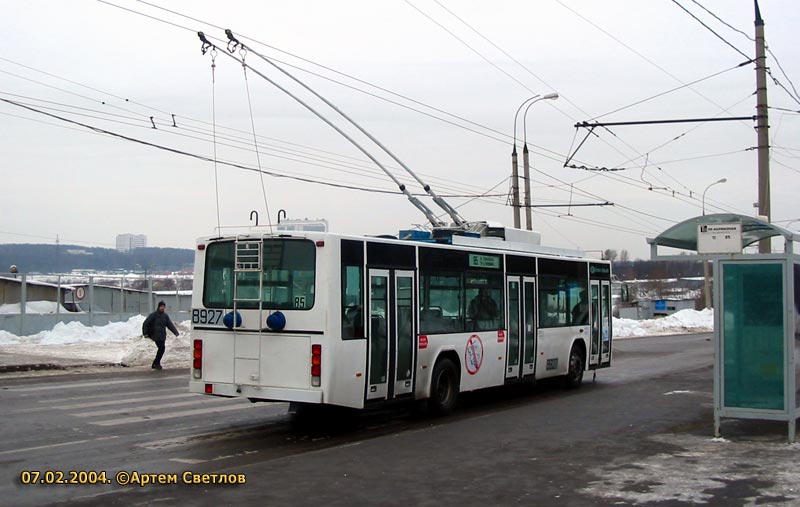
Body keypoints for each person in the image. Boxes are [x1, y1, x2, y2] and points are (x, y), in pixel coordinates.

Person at [142, 300, 179, 370]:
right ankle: (156, 363)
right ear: (158, 307)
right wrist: (145, 333)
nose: (162, 308)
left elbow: (169, 324)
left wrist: (175, 332)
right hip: (155, 335)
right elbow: (145, 324)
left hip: (162, 335)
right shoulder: (153, 315)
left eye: (163, 307)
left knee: (161, 349)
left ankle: (155, 363)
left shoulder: (165, 316)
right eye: (161, 306)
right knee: (161, 348)